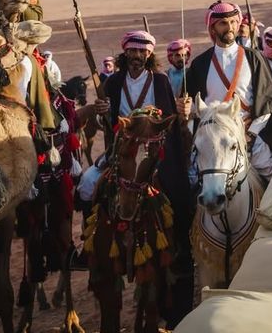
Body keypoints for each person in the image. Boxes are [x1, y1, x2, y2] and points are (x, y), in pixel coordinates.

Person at [80, 29, 193, 325]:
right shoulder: (113, 81)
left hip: (153, 150)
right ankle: (88, 250)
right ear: (125, 53)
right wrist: (103, 111)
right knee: (88, 185)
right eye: (133, 51)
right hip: (122, 149)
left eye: (143, 52)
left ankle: (179, 250)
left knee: (176, 194)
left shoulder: (161, 81)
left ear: (149, 55)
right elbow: (108, 120)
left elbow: (169, 120)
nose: (137, 56)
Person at [179, 1, 272, 180]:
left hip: (250, 135)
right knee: (193, 181)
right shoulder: (200, 64)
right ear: (213, 28)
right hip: (212, 139)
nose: (230, 27)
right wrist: (186, 110)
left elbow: (267, 103)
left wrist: (250, 135)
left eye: (234, 22)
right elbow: (194, 108)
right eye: (223, 23)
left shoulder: (254, 58)